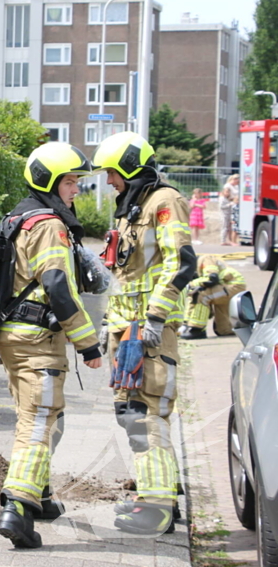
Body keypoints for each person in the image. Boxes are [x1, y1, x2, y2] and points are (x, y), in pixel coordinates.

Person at [0, 142, 104, 550]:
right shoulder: (49, 225)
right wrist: (88, 344)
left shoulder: (19, 216)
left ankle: (40, 495)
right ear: (50, 182)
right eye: (71, 181)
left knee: (32, 415)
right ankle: (17, 509)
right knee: (38, 423)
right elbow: (57, 285)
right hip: (38, 338)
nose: (76, 189)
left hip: (14, 335)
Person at [93, 131, 197, 535]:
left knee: (146, 415)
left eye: (113, 173)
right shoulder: (131, 207)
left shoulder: (164, 203)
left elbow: (181, 262)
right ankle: (160, 494)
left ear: (132, 168)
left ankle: (157, 509)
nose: (109, 182)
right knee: (130, 413)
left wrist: (155, 316)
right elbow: (125, 271)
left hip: (148, 332)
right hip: (125, 330)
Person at [179, 255, 247, 339]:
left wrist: (189, 285)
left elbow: (212, 278)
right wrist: (185, 323)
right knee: (224, 330)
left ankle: (198, 330)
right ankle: (248, 326)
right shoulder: (198, 269)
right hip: (225, 286)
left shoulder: (205, 259)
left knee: (202, 295)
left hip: (232, 285)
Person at [220, 174, 238, 245]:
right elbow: (222, 206)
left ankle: (229, 240)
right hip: (224, 214)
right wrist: (230, 204)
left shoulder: (227, 199)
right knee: (224, 226)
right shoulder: (222, 199)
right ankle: (223, 240)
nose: (228, 193)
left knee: (229, 227)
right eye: (227, 192)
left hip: (229, 212)